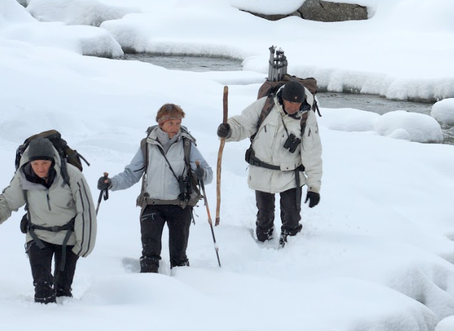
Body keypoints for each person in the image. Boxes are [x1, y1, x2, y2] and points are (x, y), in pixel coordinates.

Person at [98, 103, 214, 272]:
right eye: (171, 123)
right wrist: (111, 183)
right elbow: (131, 174)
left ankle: (183, 286)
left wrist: (202, 173)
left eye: (178, 123)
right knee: (149, 256)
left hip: (180, 205)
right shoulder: (147, 145)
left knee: (179, 257)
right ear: (161, 123)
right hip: (152, 204)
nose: (175, 127)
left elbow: (208, 174)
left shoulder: (187, 144)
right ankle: (148, 285)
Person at [0, 137, 97, 303]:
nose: (40, 168)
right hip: (38, 236)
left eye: (45, 163)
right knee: (43, 291)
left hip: (67, 237)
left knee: (62, 292)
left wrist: (83, 246)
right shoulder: (24, 175)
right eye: (35, 164)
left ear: (53, 160)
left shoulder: (71, 175)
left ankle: (67, 317)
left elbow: (85, 211)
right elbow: (9, 200)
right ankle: (41, 318)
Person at [217, 79, 323, 245]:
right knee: (264, 217)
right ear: (282, 98)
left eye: (297, 103)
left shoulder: (307, 117)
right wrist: (228, 130)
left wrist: (314, 187)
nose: (293, 106)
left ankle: (290, 248)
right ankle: (262, 243)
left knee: (292, 219)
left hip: (290, 175)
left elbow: (312, 153)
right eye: (290, 101)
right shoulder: (265, 105)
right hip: (262, 171)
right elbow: (243, 124)